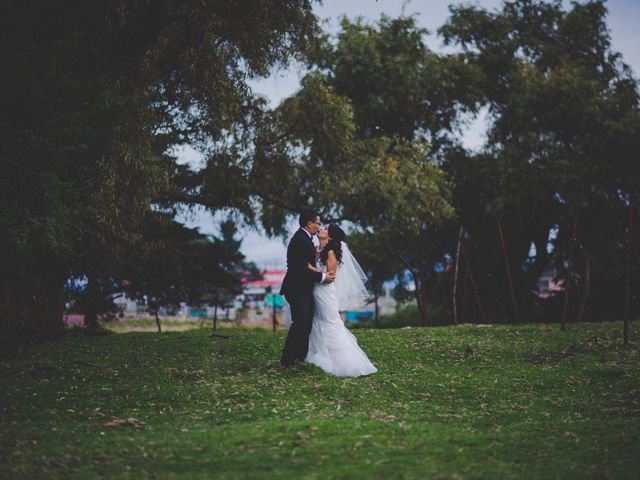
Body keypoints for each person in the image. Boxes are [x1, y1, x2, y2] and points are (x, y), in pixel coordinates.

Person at [305, 224, 377, 377]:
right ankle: (320, 356)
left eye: (325, 228)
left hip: (325, 293)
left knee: (331, 323)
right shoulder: (316, 248)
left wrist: (310, 269)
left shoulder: (331, 252)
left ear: (330, 236)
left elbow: (330, 277)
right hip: (313, 291)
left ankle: (347, 363)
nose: (321, 228)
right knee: (317, 322)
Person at [279, 211, 335, 367]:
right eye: (318, 223)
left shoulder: (305, 239)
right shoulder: (301, 240)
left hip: (303, 288)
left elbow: (306, 265)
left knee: (306, 323)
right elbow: (301, 268)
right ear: (310, 224)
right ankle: (289, 360)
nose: (319, 226)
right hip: (297, 288)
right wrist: (323, 277)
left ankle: (300, 357)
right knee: (300, 322)